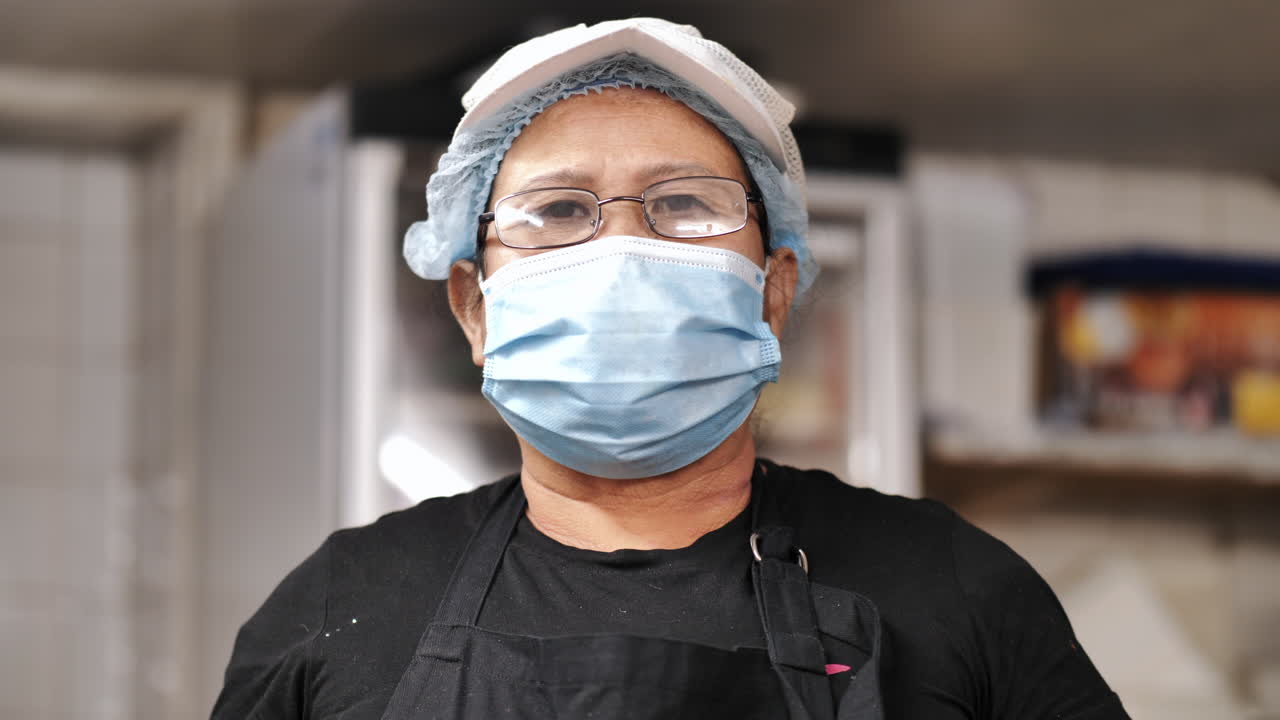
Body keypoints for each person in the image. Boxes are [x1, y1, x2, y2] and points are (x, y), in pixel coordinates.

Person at [212, 18, 1129, 720]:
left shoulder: (955, 590)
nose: (619, 247)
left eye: (685, 204)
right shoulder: (342, 605)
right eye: (558, 210)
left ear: (774, 290)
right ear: (474, 307)